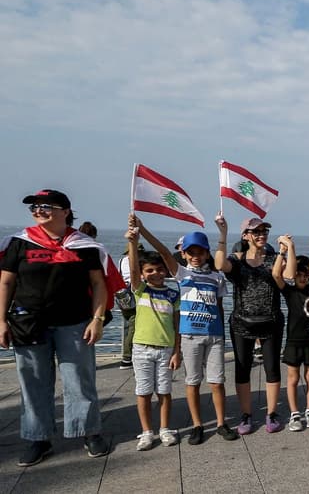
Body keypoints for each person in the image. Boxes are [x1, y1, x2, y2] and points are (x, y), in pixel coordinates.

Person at [0, 190, 111, 466]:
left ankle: (89, 431)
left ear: (65, 211)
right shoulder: (19, 243)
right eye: (35, 207)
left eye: (46, 206)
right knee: (33, 382)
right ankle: (38, 438)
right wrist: (0, 320)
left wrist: (97, 319)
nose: (39, 211)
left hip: (74, 323)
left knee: (80, 380)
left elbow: (99, 284)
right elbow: (6, 283)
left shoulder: (83, 245)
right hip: (28, 322)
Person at [132, 215, 239, 444]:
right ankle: (197, 425)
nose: (195, 257)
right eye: (191, 252)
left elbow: (219, 307)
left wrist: (221, 333)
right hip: (190, 335)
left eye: (200, 252)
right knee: (192, 381)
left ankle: (221, 423)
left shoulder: (217, 277)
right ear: (184, 254)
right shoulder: (181, 273)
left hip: (214, 336)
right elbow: (162, 251)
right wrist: (142, 230)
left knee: (217, 381)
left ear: (207, 253)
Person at [214, 215, 285, 435]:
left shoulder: (273, 258)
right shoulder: (236, 259)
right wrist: (223, 234)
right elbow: (219, 264)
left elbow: (289, 275)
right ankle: (246, 414)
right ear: (246, 236)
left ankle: (272, 413)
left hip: (271, 322)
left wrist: (285, 250)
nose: (261, 235)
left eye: (264, 231)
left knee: (272, 369)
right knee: (242, 370)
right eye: (256, 232)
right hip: (241, 323)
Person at [123, 224, 181, 450]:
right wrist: (132, 241)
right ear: (143, 273)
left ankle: (165, 428)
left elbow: (177, 325)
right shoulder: (140, 289)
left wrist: (177, 351)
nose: (155, 274)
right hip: (141, 348)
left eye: (159, 269)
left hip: (166, 349)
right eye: (149, 270)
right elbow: (133, 269)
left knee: (164, 391)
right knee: (143, 391)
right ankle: (147, 432)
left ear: (165, 271)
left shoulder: (172, 294)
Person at [272, 235, 309, 432]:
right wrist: (284, 251)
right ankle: (294, 413)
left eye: (305, 274)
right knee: (292, 378)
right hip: (293, 341)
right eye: (299, 273)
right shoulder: (289, 292)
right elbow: (276, 275)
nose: (302, 277)